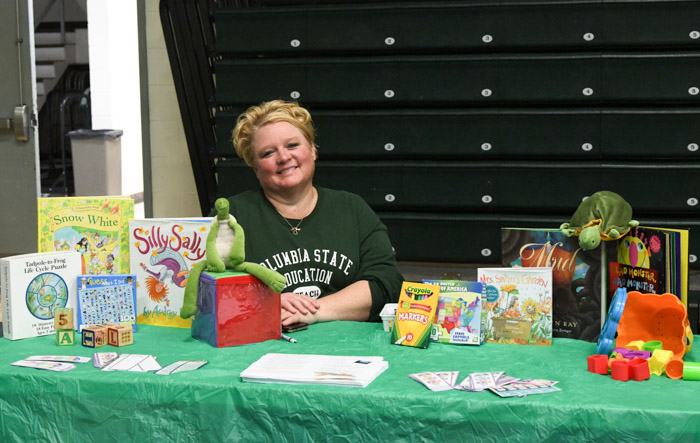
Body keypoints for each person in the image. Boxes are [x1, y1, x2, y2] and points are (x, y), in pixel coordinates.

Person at [226, 100, 404, 327]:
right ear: (255, 167)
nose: (283, 157)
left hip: (348, 347)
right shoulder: (232, 217)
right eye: (268, 152)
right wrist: (265, 303)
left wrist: (313, 312)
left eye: (292, 145)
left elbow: (386, 284)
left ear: (312, 150)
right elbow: (209, 291)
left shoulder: (351, 208)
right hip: (263, 347)